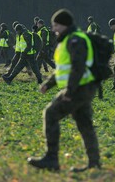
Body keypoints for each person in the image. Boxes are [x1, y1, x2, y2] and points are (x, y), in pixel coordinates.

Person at [28, 9, 101, 172]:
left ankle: (52, 159)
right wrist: (49, 84)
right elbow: (62, 69)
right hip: (84, 87)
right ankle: (94, 163)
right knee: (85, 124)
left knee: (50, 114)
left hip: (78, 88)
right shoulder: (68, 39)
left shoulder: (74, 40)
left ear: (64, 25)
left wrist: (69, 91)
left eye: (55, 25)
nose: (53, 28)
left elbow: (78, 67)